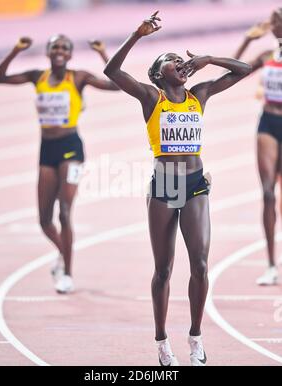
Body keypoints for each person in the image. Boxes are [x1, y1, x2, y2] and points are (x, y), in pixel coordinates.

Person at [104, 11, 251, 366]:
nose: (179, 62)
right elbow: (112, 71)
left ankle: (196, 336)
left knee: (200, 265)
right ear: (158, 75)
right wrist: (137, 35)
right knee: (164, 270)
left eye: (180, 59)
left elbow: (243, 71)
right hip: (166, 183)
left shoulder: (199, 94)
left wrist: (209, 59)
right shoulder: (151, 98)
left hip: (196, 181)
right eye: (170, 61)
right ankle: (161, 339)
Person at [0, 35, 119, 294]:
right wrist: (15, 50)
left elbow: (115, 85)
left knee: (64, 212)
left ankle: (68, 274)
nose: (59, 51)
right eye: (55, 47)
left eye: (64, 47)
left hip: (71, 147)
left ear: (70, 54)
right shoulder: (37, 76)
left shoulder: (78, 77)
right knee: (44, 220)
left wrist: (103, 54)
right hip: (46, 150)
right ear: (48, 52)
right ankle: (63, 253)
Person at [234, 8, 282, 286]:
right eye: (271, 21)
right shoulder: (267, 57)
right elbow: (235, 70)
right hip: (268, 122)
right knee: (267, 193)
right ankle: (271, 265)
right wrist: (246, 40)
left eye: (275, 21)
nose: (270, 25)